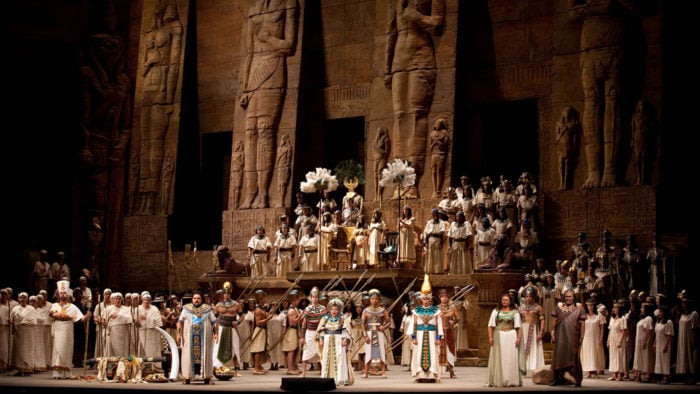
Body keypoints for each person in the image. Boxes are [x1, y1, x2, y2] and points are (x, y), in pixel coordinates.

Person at [568, 0, 640, 188]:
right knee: (591, 104)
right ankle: (593, 171)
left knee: (614, 104)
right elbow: (572, 13)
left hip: (615, 44)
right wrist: (602, 7)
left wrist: (592, 9)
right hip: (589, 47)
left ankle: (610, 170)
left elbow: (638, 7)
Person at [239, 0, 299, 209]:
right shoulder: (253, 9)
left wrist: (270, 39)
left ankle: (264, 193)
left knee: (265, 131)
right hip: (254, 71)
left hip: (274, 68)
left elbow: (289, 45)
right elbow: (248, 52)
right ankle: (250, 193)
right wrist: (245, 86)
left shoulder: (288, 4)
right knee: (250, 133)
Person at [384, 0, 446, 198]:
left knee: (417, 114)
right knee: (400, 116)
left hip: (421, 53)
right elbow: (390, 32)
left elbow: (437, 25)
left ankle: (412, 182)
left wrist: (416, 16)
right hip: (399, 57)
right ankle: (399, 181)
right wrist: (386, 67)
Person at [134, 0, 183, 215]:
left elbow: (174, 65)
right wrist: (149, 62)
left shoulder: (174, 29)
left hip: (163, 90)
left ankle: (152, 199)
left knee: (155, 147)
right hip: (147, 91)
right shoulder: (148, 33)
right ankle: (143, 198)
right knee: (145, 148)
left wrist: (170, 97)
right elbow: (144, 66)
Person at [48, 280, 91, 379]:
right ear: (59, 294)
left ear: (67, 295)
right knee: (58, 350)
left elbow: (81, 319)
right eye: (61, 293)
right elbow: (53, 314)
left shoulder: (73, 307)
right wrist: (66, 316)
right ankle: (57, 373)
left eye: (64, 293)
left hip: (68, 330)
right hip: (58, 329)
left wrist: (87, 315)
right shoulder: (54, 305)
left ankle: (66, 372)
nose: (63, 295)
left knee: (67, 349)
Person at [407, 275, 443, 382]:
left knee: (432, 353)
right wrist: (413, 337)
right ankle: (419, 376)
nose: (425, 301)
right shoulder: (416, 311)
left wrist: (438, 338)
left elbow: (438, 325)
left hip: (432, 336)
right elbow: (413, 325)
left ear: (430, 299)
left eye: (427, 298)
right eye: (424, 298)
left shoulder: (435, 311)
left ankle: (433, 375)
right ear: (421, 299)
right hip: (420, 335)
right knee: (418, 355)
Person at [178, 291, 217, 384]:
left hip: (204, 338)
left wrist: (215, 333)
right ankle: (187, 377)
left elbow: (214, 322)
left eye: (198, 298)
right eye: (195, 298)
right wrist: (178, 334)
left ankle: (207, 377)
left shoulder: (207, 309)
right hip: (189, 338)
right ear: (192, 299)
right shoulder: (186, 309)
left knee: (206, 355)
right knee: (188, 355)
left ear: (202, 300)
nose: (196, 300)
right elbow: (180, 322)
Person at [550, 288, 586, 387]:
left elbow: (583, 324)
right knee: (558, 356)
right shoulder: (558, 307)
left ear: (574, 297)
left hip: (573, 337)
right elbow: (553, 321)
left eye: (570, 296)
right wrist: (552, 334)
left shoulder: (579, 308)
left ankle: (577, 380)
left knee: (573, 357)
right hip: (560, 336)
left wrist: (582, 337)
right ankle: (557, 378)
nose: (567, 298)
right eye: (566, 296)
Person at [485, 293, 522, 387]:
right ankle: (499, 379)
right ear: (501, 301)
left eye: (507, 300)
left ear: (510, 301)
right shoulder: (496, 311)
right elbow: (490, 325)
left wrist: (518, 338)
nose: (505, 301)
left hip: (511, 336)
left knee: (511, 358)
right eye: (503, 300)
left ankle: (511, 380)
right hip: (499, 336)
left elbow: (518, 327)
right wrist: (490, 337)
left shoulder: (515, 312)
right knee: (499, 357)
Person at [317, 298, 354, 386]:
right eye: (332, 309)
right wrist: (321, 339)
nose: (334, 311)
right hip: (327, 340)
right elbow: (321, 330)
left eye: (336, 309)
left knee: (340, 358)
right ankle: (327, 378)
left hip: (339, 340)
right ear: (329, 309)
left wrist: (345, 339)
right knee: (327, 358)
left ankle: (340, 379)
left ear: (339, 310)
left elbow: (346, 331)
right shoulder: (325, 319)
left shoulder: (342, 319)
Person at [212, 282, 242, 376]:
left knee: (235, 347)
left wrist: (238, 322)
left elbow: (242, 316)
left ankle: (237, 369)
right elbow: (214, 320)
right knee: (219, 347)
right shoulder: (218, 305)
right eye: (224, 293)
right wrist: (215, 332)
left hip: (232, 328)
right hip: (221, 328)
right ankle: (218, 366)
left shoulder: (236, 304)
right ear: (222, 294)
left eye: (228, 293)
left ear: (230, 293)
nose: (226, 295)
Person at [361, 289, 391, 379]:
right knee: (368, 352)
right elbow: (362, 324)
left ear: (379, 299)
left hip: (379, 332)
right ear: (370, 299)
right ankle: (366, 371)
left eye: (376, 298)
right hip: (369, 332)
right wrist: (365, 335)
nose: (374, 300)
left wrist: (384, 327)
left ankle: (383, 371)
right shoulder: (366, 310)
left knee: (381, 351)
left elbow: (389, 322)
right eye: (373, 298)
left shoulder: (382, 310)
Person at [630, 98, 659, 186]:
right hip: (637, 138)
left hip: (646, 138)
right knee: (637, 158)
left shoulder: (649, 117)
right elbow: (633, 130)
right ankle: (638, 178)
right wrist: (632, 140)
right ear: (638, 106)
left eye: (643, 105)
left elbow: (653, 129)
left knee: (645, 158)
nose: (642, 107)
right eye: (640, 105)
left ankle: (644, 178)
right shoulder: (635, 117)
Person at [518, 286, 545, 376]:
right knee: (523, 347)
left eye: (530, 296)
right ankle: (523, 366)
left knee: (535, 347)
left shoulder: (538, 307)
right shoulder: (521, 308)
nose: (528, 298)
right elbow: (517, 321)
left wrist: (541, 332)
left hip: (533, 330)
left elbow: (542, 320)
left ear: (533, 297)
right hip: (523, 329)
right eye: (527, 296)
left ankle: (534, 367)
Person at [300, 287, 326, 377]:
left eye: (316, 297)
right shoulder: (307, 309)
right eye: (313, 297)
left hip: (320, 333)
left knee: (322, 352)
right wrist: (302, 337)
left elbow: (325, 323)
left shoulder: (323, 309)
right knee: (306, 352)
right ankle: (303, 372)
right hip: (309, 333)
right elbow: (304, 324)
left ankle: (324, 372)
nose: (315, 299)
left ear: (318, 298)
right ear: (311, 298)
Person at [555, 106, 581, 190]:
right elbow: (557, 138)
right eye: (566, 112)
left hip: (568, 144)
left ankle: (566, 184)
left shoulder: (574, 123)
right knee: (560, 164)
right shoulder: (559, 123)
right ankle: (561, 183)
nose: (567, 113)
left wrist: (574, 147)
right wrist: (563, 131)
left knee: (567, 164)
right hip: (561, 145)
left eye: (569, 112)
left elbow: (575, 137)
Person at [136, 291, 163, 369]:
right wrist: (136, 320)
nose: (146, 301)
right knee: (142, 351)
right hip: (141, 332)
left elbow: (158, 322)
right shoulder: (138, 308)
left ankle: (155, 368)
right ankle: (142, 368)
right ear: (142, 300)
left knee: (153, 351)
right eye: (145, 300)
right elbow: (136, 323)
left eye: (148, 300)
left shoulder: (154, 309)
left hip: (153, 334)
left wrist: (147, 318)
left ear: (150, 300)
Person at [580, 299, 606, 379]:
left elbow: (602, 328)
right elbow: (583, 328)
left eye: (591, 305)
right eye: (588, 305)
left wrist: (601, 338)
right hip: (587, 338)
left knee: (595, 353)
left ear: (593, 306)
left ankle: (594, 371)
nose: (590, 307)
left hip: (595, 338)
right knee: (588, 354)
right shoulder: (585, 316)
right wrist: (581, 337)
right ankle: (588, 371)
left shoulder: (599, 316)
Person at [250, 290, 273, 375]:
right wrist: (268, 318)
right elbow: (258, 322)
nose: (266, 299)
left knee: (262, 349)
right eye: (265, 298)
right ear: (260, 299)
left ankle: (259, 366)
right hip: (259, 330)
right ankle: (256, 368)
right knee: (258, 349)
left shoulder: (262, 308)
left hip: (263, 330)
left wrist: (269, 314)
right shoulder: (258, 310)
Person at [675, 298, 697, 385]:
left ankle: (692, 377)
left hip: (689, 338)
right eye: (682, 303)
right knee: (683, 356)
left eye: (684, 303)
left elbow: (695, 328)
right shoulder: (682, 314)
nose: (682, 305)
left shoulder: (694, 314)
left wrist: (694, 340)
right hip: (682, 338)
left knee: (690, 357)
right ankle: (686, 375)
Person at [632, 298, 655, 383]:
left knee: (646, 357)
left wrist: (645, 341)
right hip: (639, 341)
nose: (641, 309)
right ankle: (640, 373)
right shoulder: (642, 318)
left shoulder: (649, 318)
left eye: (643, 308)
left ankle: (647, 374)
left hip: (645, 341)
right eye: (641, 307)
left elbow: (649, 330)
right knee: (640, 357)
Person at [437, 289, 459, 378]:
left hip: (448, 331)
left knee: (450, 350)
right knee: (438, 350)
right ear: (440, 298)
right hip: (439, 331)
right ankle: (437, 371)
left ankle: (451, 371)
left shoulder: (452, 308)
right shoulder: (436, 308)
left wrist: (453, 322)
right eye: (442, 297)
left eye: (445, 297)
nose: (444, 298)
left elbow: (458, 317)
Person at [105, 292, 132, 357]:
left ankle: (124, 363)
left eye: (119, 299)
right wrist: (110, 317)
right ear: (113, 300)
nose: (118, 300)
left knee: (123, 350)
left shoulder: (126, 309)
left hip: (123, 332)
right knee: (113, 350)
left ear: (121, 300)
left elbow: (129, 320)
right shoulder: (108, 309)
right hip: (113, 331)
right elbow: (105, 321)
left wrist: (118, 316)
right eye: (116, 299)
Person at [281, 289, 302, 375]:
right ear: (294, 300)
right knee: (291, 350)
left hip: (295, 331)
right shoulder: (291, 310)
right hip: (291, 331)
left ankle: (293, 366)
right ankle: (290, 368)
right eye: (297, 300)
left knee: (295, 349)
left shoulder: (295, 309)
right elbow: (292, 322)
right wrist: (300, 317)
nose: (298, 301)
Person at [607, 301, 628, 381]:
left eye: (615, 308)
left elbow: (623, 331)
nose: (614, 309)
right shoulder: (612, 318)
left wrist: (620, 341)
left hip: (619, 338)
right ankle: (614, 373)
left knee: (619, 356)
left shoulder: (622, 319)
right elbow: (610, 330)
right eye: (613, 307)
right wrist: (608, 340)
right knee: (613, 356)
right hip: (612, 338)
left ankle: (620, 374)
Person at [429, 118, 450, 197]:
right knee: (433, 172)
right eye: (437, 124)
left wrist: (438, 142)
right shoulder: (432, 134)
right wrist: (434, 143)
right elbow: (430, 148)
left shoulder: (445, 133)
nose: (437, 126)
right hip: (433, 154)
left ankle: (438, 190)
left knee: (439, 171)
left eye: (439, 124)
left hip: (441, 154)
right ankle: (434, 191)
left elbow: (445, 146)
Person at [447, 211, 473, 275]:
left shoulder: (466, 224)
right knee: (454, 259)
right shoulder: (453, 224)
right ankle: (454, 274)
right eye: (457, 216)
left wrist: (467, 245)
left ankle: (464, 274)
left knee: (464, 259)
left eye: (460, 216)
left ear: (463, 217)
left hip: (463, 243)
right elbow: (450, 236)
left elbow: (469, 236)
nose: (458, 218)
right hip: (455, 243)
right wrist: (450, 246)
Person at [422, 208, 447, 275]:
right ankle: (430, 270)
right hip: (430, 239)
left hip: (438, 239)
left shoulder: (441, 222)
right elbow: (426, 233)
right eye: (433, 214)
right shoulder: (429, 222)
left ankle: (438, 271)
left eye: (436, 214)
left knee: (438, 255)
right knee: (430, 255)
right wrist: (426, 242)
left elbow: (442, 234)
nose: (434, 215)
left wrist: (441, 243)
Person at [653, 305, 674, 384]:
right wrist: (654, 343)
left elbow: (669, 335)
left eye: (661, 311)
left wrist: (666, 346)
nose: (659, 313)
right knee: (659, 360)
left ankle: (666, 377)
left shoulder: (668, 322)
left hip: (665, 344)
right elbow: (656, 334)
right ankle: (661, 377)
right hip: (658, 344)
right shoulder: (658, 321)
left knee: (665, 360)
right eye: (659, 311)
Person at [373, 126, 391, 200]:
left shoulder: (386, 140)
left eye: (380, 131)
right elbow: (373, 152)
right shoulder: (375, 141)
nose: (378, 133)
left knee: (380, 177)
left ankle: (380, 195)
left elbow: (387, 153)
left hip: (382, 159)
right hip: (376, 160)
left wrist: (378, 149)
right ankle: (375, 196)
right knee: (375, 177)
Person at [397, 205, 418, 270]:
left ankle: (410, 267)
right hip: (403, 236)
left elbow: (409, 225)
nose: (405, 211)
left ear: (409, 211)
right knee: (403, 250)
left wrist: (402, 223)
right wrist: (399, 223)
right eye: (404, 210)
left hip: (408, 237)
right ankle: (405, 267)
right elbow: (398, 227)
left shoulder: (412, 219)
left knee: (408, 249)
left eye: (406, 210)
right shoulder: (403, 219)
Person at [276, 134, 293, 207]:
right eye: (282, 139)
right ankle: (280, 200)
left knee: (283, 184)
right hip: (280, 167)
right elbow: (277, 159)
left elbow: (289, 159)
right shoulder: (279, 148)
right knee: (279, 185)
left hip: (285, 167)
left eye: (284, 139)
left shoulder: (288, 148)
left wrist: (287, 165)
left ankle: (282, 201)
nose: (283, 140)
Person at [231, 140, 245, 209]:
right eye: (237, 144)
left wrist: (236, 161)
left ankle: (236, 203)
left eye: (239, 144)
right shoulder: (233, 154)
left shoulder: (242, 153)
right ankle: (233, 203)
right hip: (234, 172)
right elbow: (232, 165)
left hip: (239, 171)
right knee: (233, 189)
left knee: (237, 188)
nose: (238, 145)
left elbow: (242, 163)